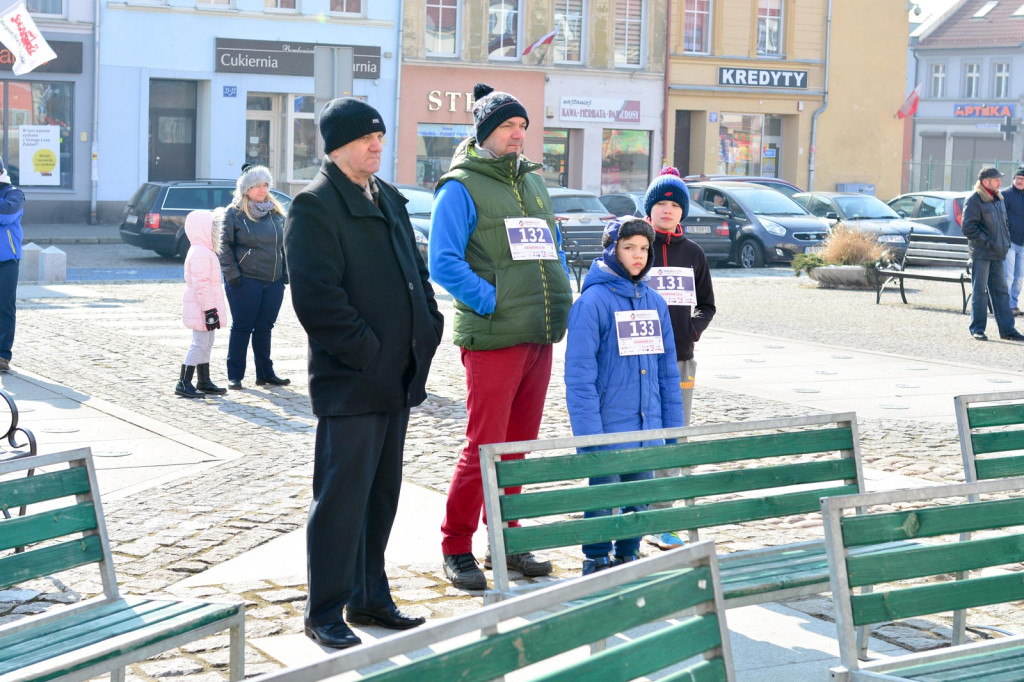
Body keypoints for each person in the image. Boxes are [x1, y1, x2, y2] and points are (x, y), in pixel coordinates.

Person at [284, 97, 444, 650]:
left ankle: (369, 596)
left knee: (381, 495)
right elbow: (316, 299)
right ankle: (324, 609)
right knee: (340, 500)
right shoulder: (314, 205)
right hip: (352, 380)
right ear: (337, 146)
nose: (378, 145)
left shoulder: (388, 196)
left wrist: (429, 322)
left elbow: (415, 271)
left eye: (380, 136)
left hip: (396, 377)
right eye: (366, 138)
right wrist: (369, 350)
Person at [429, 83, 573, 590]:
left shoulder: (532, 183)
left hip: (539, 332)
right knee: (484, 444)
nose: (518, 135)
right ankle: (455, 544)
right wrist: (492, 301)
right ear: (486, 131)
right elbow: (442, 263)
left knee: (517, 447)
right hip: (494, 336)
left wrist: (561, 294)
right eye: (509, 126)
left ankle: (506, 541)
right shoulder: (459, 187)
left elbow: (550, 245)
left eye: (523, 127)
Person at [564, 217, 684, 574]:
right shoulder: (592, 303)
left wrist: (671, 429)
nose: (638, 255)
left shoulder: (655, 301)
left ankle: (629, 553)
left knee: (640, 497)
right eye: (629, 247)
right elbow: (580, 376)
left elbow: (666, 371)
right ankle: (597, 557)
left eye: (644, 249)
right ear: (612, 250)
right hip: (608, 425)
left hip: (647, 422)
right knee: (604, 496)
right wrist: (590, 435)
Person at [639, 167, 716, 551]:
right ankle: (632, 511)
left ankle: (663, 517)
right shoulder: (638, 247)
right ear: (649, 209)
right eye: (661, 204)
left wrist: (692, 330)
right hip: (637, 360)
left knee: (673, 436)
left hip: (680, 361)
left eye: (674, 205)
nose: (667, 211)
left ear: (682, 212)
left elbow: (707, 306)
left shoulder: (694, 254)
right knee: (637, 433)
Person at [216, 165, 290, 389]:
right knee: (243, 326)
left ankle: (265, 373)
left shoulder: (275, 213)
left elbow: (284, 246)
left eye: (265, 184)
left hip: (273, 281)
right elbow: (224, 246)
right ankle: (235, 375)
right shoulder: (235, 213)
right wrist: (232, 275)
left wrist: (284, 274)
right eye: (256, 185)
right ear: (246, 189)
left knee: (265, 327)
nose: (261, 189)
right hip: (245, 280)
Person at [962, 166, 1024, 341]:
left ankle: (1007, 330)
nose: (1000, 183)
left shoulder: (998, 198)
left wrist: (1004, 244)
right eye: (997, 180)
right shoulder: (974, 199)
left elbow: (1004, 223)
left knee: (1001, 292)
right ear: (986, 182)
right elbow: (968, 227)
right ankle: (977, 328)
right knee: (979, 291)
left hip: (998, 253)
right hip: (982, 253)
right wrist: (988, 243)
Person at [176, 210, 228, 398]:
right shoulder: (200, 252)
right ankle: (183, 381)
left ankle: (203, 380)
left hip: (205, 307)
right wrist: (209, 310)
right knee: (199, 344)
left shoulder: (205, 250)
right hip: (202, 308)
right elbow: (201, 284)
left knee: (207, 342)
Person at [0, 158, 23, 373]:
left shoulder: (14, 193)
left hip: (7, 260)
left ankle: (3, 356)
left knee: (5, 307)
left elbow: (5, 215)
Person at [1004, 167, 1024, 317]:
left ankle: (1014, 303)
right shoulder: (1005, 195)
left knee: (1019, 277)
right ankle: (1006, 305)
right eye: (1018, 178)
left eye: (1023, 179)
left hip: (1023, 244)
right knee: (1008, 276)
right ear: (1013, 179)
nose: (1020, 181)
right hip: (1010, 242)